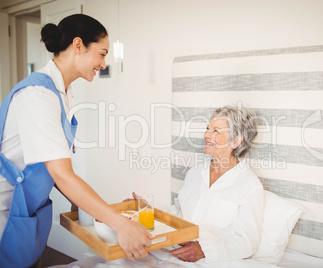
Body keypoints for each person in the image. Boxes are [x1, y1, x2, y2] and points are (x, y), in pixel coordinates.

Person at [0, 14, 152, 268]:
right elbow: (61, 173)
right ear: (78, 45)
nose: (104, 64)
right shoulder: (37, 96)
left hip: (27, 207)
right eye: (102, 54)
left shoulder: (63, 94)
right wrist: (121, 224)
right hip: (6, 207)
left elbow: (49, 163)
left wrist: (78, 198)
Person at [169, 105, 264, 263]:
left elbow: (247, 243)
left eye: (216, 131)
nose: (206, 135)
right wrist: (146, 211)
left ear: (235, 141)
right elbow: (178, 210)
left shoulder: (249, 185)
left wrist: (203, 251)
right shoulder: (195, 172)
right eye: (208, 128)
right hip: (174, 253)